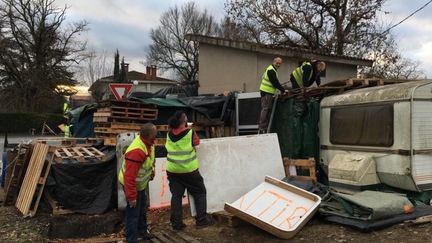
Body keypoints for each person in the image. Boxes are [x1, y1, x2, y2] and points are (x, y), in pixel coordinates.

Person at [165, 111, 213, 231]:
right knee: (200, 192)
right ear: (184, 121)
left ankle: (177, 224)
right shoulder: (190, 132)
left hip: (172, 171)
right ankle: (201, 221)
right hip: (189, 171)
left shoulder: (169, 134)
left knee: (176, 196)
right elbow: (197, 146)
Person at [118, 123, 157, 243]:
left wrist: (152, 172)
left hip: (140, 184)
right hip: (131, 185)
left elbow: (150, 161)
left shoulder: (148, 144)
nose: (156, 136)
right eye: (154, 134)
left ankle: (142, 231)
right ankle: (131, 239)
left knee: (141, 210)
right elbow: (129, 177)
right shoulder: (137, 151)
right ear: (149, 136)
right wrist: (131, 197)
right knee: (133, 213)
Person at [258, 57, 286, 134]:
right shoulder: (271, 70)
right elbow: (275, 82)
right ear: (274, 62)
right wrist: (282, 90)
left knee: (266, 109)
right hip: (267, 92)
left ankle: (263, 126)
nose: (278, 65)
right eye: (277, 63)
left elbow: (274, 82)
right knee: (265, 109)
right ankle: (262, 127)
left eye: (280, 63)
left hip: (266, 91)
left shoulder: (272, 69)